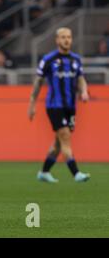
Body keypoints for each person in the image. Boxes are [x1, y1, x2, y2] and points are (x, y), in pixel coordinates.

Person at [28, 27, 90, 183]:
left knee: (58, 143)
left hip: (70, 106)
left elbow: (81, 78)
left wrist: (84, 91)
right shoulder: (48, 59)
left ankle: (44, 172)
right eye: (63, 37)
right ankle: (76, 173)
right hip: (54, 106)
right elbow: (38, 82)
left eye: (69, 37)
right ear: (57, 40)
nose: (66, 40)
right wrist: (32, 103)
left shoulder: (76, 60)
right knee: (65, 137)